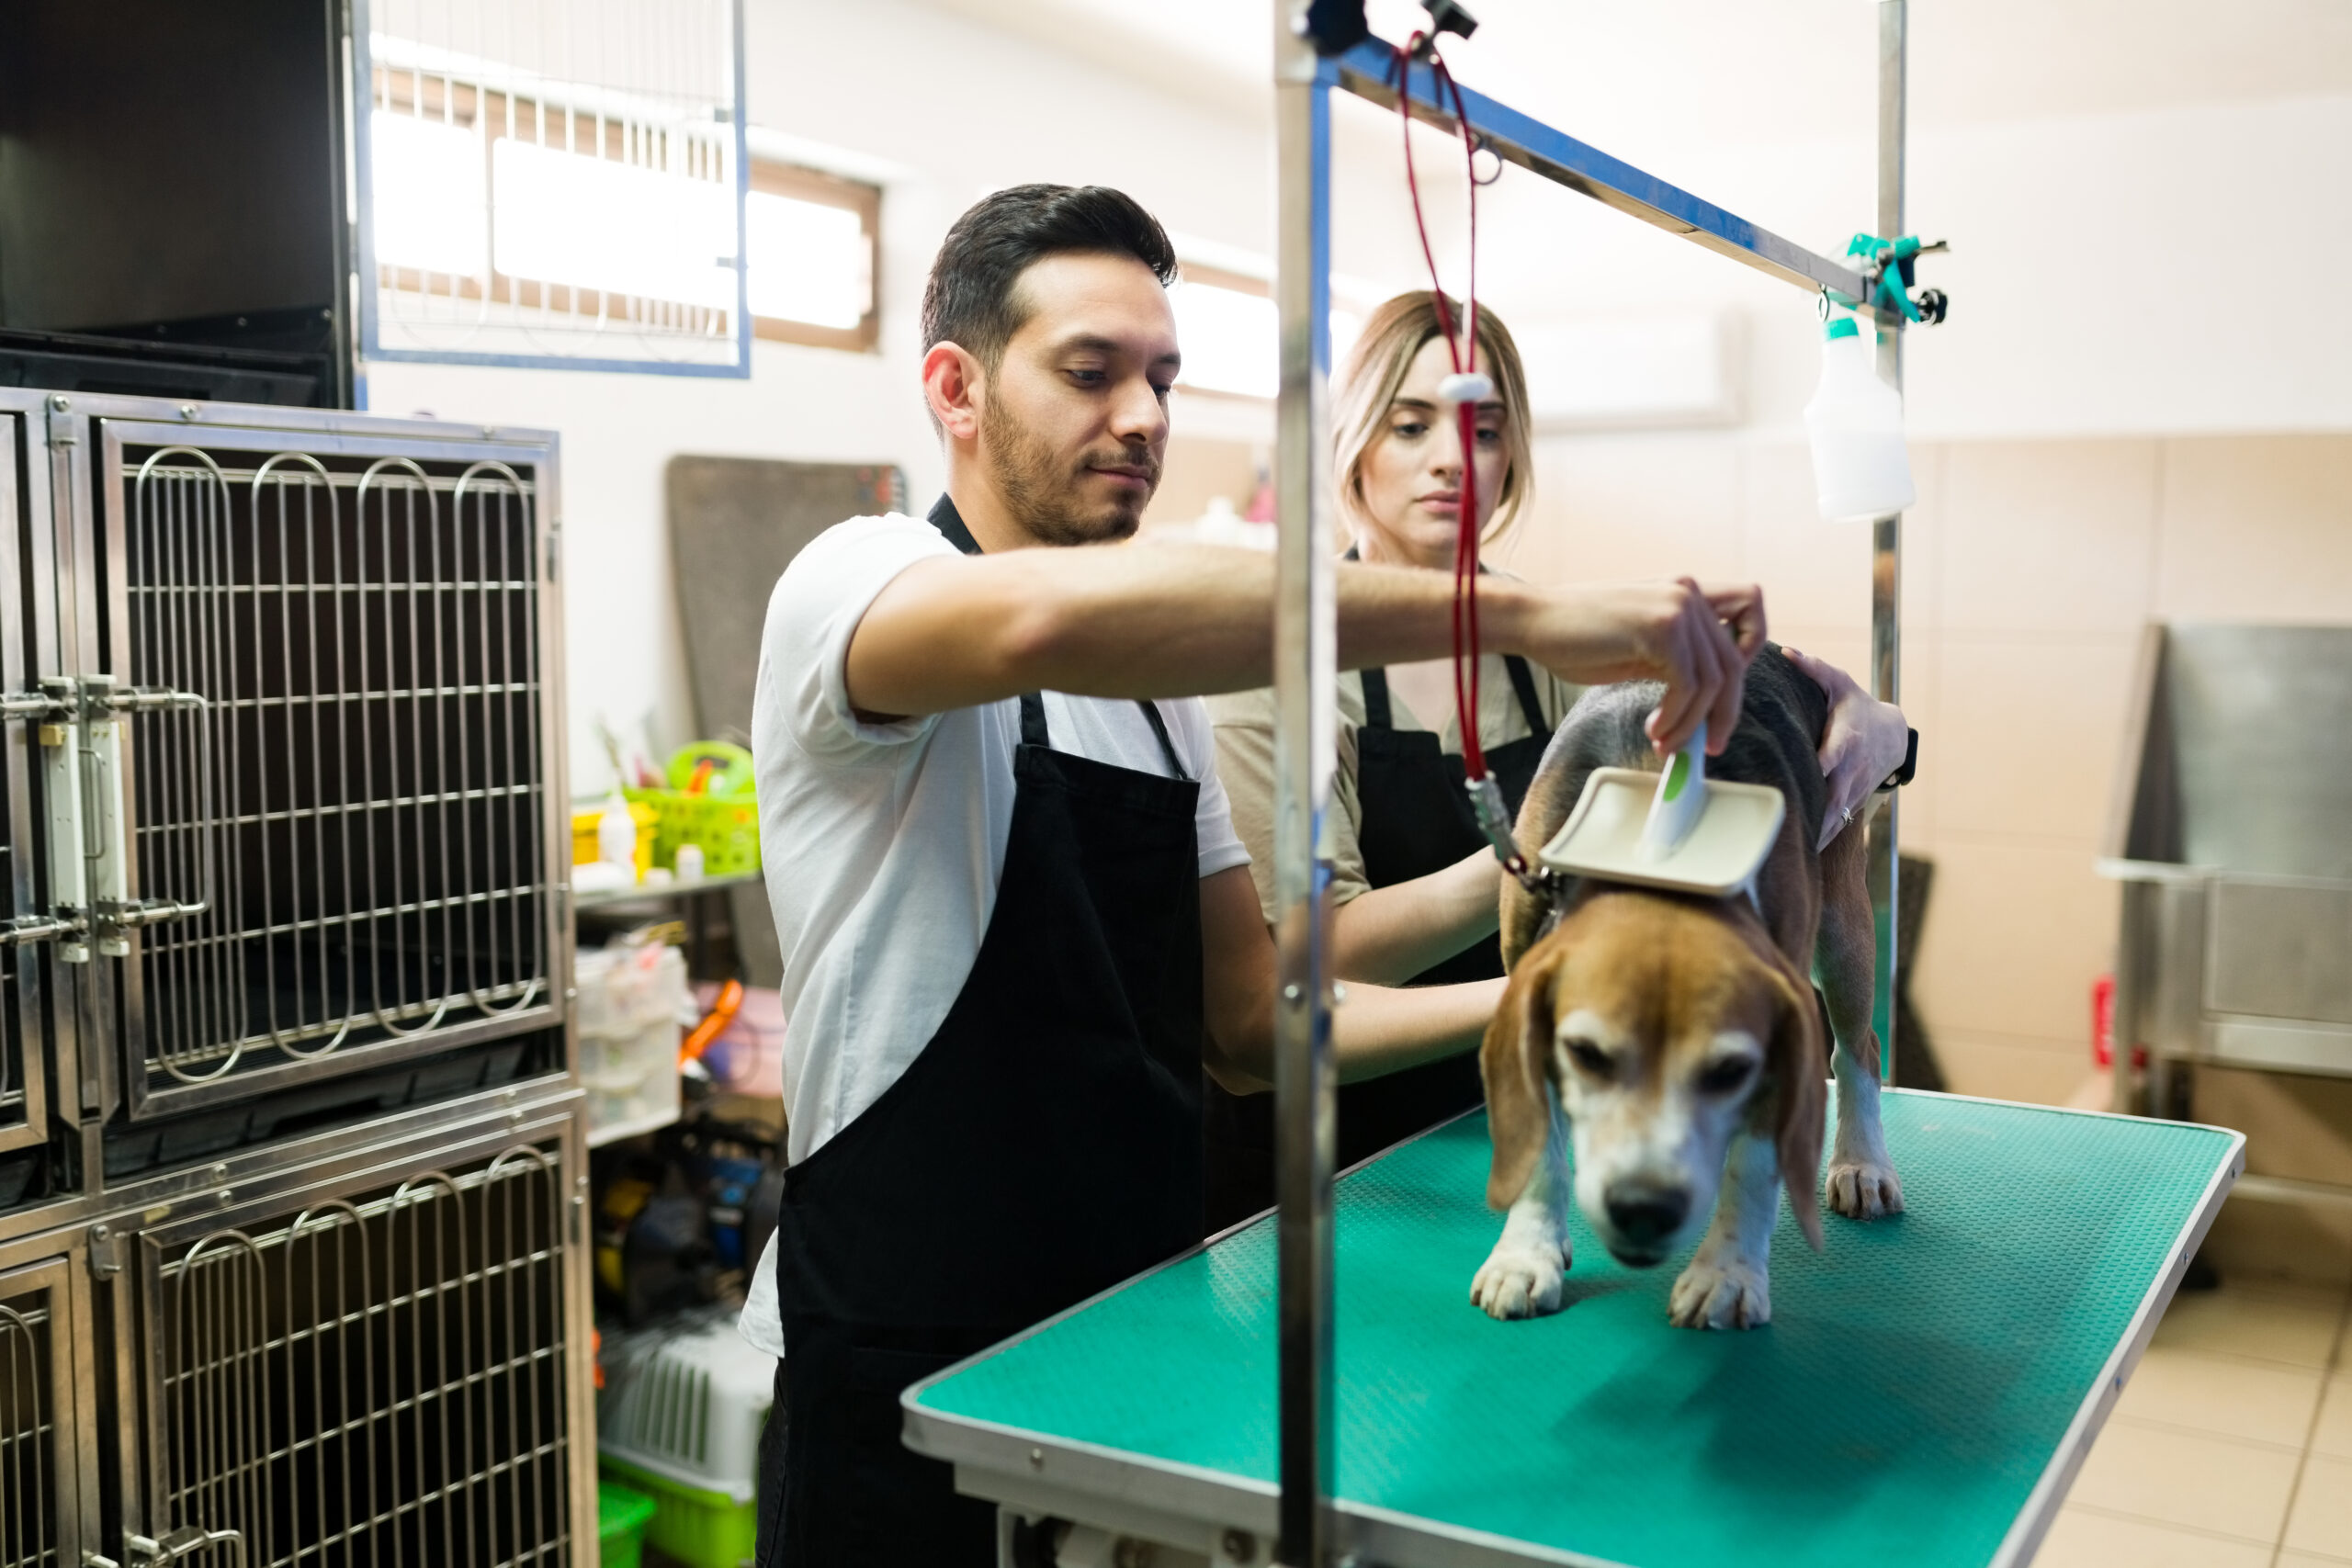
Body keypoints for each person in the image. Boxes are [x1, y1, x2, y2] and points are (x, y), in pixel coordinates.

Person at [740, 184, 1768, 1568]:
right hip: (910, 1338)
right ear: (956, 387)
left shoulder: (1161, 702)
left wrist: (1565, 1017)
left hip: (1135, 1315)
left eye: (1162, 376)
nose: (1145, 416)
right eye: (1091, 372)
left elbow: (1252, 1021)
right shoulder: (860, 581)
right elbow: (1043, 615)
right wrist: (1521, 604)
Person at [1205, 292, 1913, 1227]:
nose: (1453, 460)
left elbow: (1734, 739)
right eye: (1410, 424)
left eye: (1485, 430)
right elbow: (1296, 957)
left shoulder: (1552, 649)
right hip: (1350, 1161)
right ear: (1352, 443)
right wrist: (1533, 864)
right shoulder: (1281, 671)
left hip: (1555, 1116)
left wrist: (1872, 724)